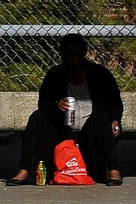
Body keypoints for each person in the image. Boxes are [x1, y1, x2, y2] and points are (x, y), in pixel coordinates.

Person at [7, 34, 123, 187]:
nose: (69, 59)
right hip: (63, 135)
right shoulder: (55, 75)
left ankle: (114, 169)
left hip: (90, 135)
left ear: (83, 53)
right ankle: (24, 169)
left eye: (73, 55)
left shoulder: (100, 74)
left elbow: (115, 103)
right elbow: (43, 103)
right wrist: (56, 105)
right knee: (37, 117)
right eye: (65, 55)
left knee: (100, 118)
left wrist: (115, 119)